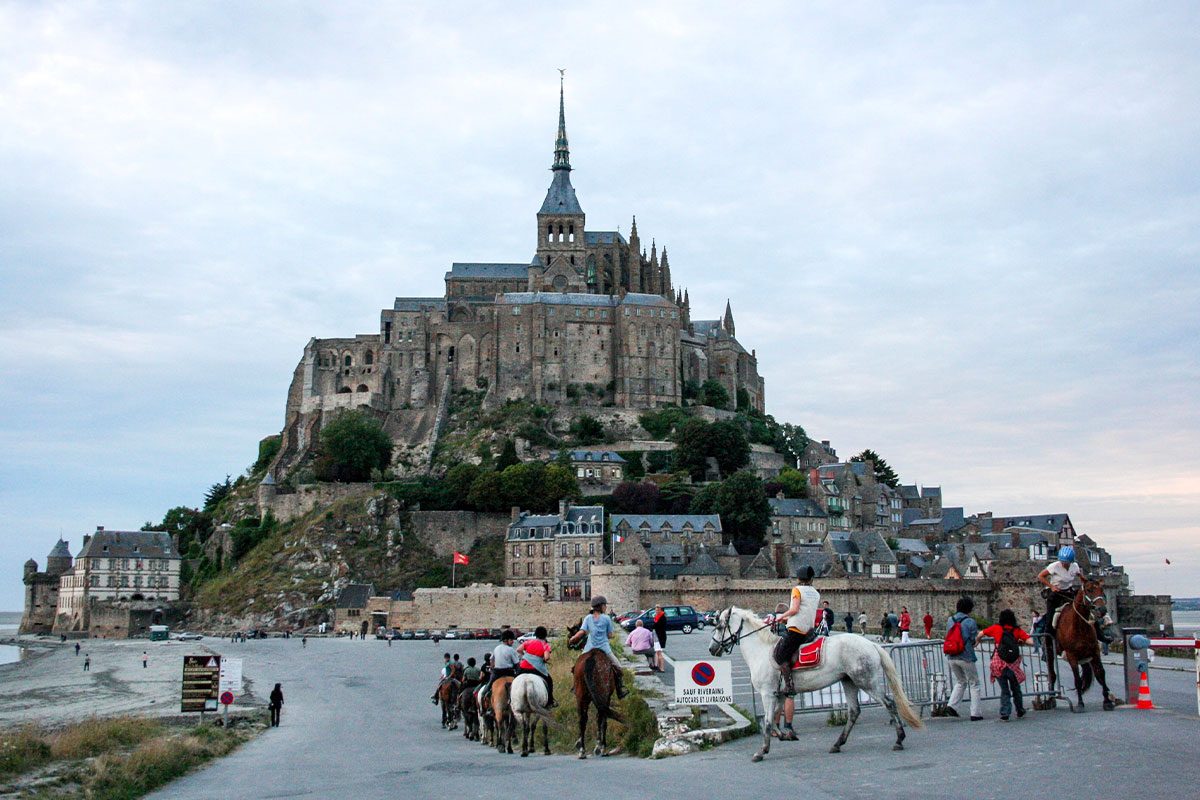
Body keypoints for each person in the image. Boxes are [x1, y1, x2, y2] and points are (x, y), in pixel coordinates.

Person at [767, 565, 820, 696]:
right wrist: (786, 620)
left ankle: (789, 686)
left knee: (779, 655)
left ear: (799, 578)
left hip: (797, 630)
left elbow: (795, 610)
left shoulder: (797, 590)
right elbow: (805, 611)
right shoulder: (816, 593)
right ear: (811, 579)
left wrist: (781, 617)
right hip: (810, 630)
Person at [568, 596, 627, 698]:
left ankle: (575, 686)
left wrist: (573, 638)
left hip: (589, 648)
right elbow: (610, 635)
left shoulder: (587, 618)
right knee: (618, 667)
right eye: (605, 605)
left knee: (576, 666)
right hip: (604, 648)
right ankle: (620, 689)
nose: (605, 607)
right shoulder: (607, 618)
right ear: (601, 606)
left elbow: (582, 632)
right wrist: (608, 635)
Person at [976, 609, 1029, 720]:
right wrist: (1020, 641)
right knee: (1016, 688)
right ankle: (1020, 710)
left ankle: (1005, 712)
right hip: (1012, 664)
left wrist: (977, 641)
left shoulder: (996, 628)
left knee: (1004, 690)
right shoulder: (1016, 630)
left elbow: (981, 633)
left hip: (998, 663)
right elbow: (1030, 641)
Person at [945, 596, 982, 721]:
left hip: (951, 655)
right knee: (974, 683)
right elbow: (972, 640)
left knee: (961, 681)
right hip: (965, 656)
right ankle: (975, 713)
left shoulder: (950, 619)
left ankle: (952, 705)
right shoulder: (970, 622)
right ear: (969, 609)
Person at [516, 626, 555, 707]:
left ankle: (510, 699)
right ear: (545, 635)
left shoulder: (528, 642)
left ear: (536, 634)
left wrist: (525, 655)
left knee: (515, 680)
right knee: (549, 681)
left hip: (523, 667)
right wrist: (543, 659)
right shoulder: (545, 645)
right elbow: (547, 657)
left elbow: (519, 649)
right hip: (536, 670)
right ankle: (550, 701)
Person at [652, 605, 668, 672]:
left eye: (658, 610)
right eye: (656, 610)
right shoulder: (659, 617)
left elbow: (656, 626)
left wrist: (654, 625)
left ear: (660, 610)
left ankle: (661, 668)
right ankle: (660, 667)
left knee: (659, 653)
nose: (656, 611)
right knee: (658, 652)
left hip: (659, 637)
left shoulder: (661, 618)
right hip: (659, 636)